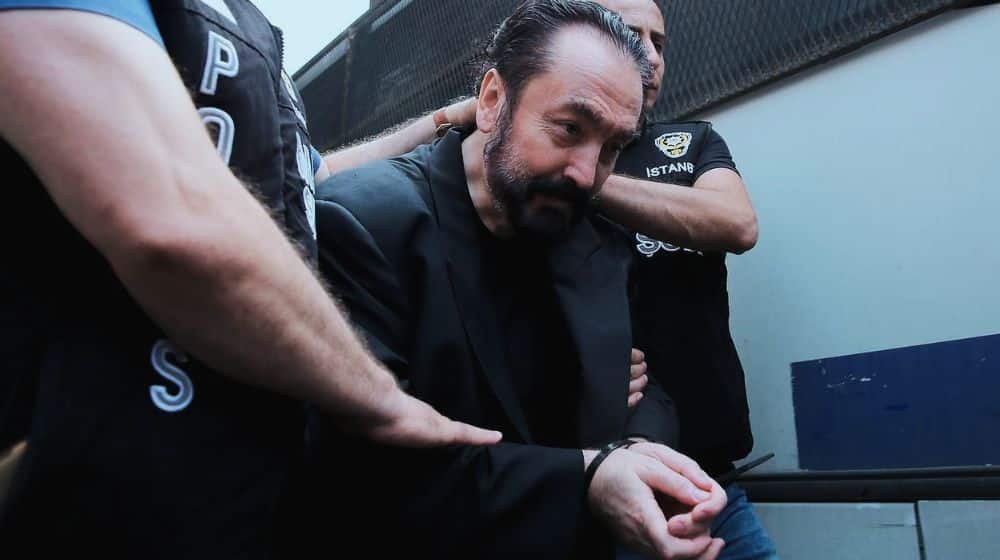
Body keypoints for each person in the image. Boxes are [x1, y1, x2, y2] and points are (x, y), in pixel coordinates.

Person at [0, 1, 499, 556]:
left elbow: (310, 177)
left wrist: (440, 120)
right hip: (98, 467)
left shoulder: (249, 31)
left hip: (227, 476)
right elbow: (175, 222)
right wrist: (382, 399)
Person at [305, 2, 727, 559]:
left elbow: (647, 390)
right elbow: (364, 471)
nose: (587, 174)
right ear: (491, 100)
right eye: (569, 129)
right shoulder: (364, 224)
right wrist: (589, 477)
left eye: (613, 148)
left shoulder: (597, 242)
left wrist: (642, 457)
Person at [585, 1, 775, 558]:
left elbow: (736, 223)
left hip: (708, 482)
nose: (650, 56)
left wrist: (584, 180)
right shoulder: (534, 164)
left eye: (659, 42)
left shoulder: (691, 143)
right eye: (630, 35)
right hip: (598, 486)